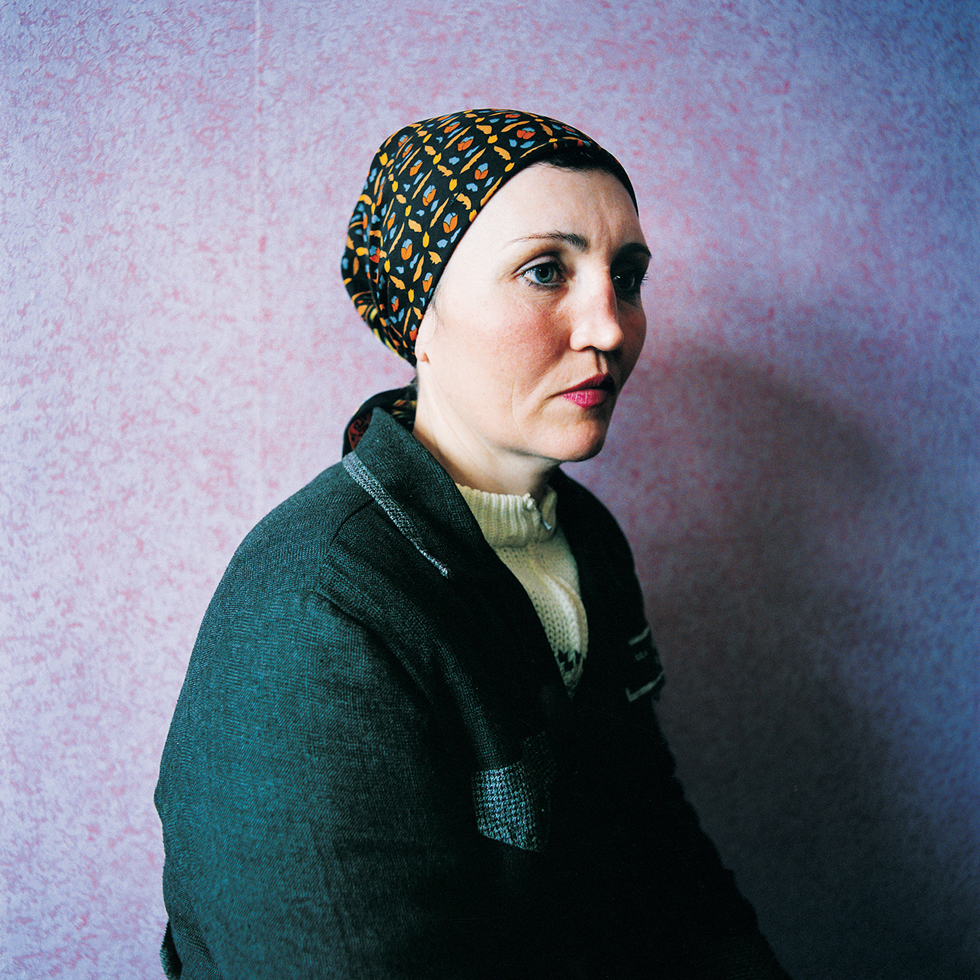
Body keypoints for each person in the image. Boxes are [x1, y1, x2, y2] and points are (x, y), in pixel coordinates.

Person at [155, 108, 790, 979]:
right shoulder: (315, 610)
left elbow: (650, 835)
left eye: (628, 276)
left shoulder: (587, 540)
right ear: (421, 312)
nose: (609, 327)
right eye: (543, 270)